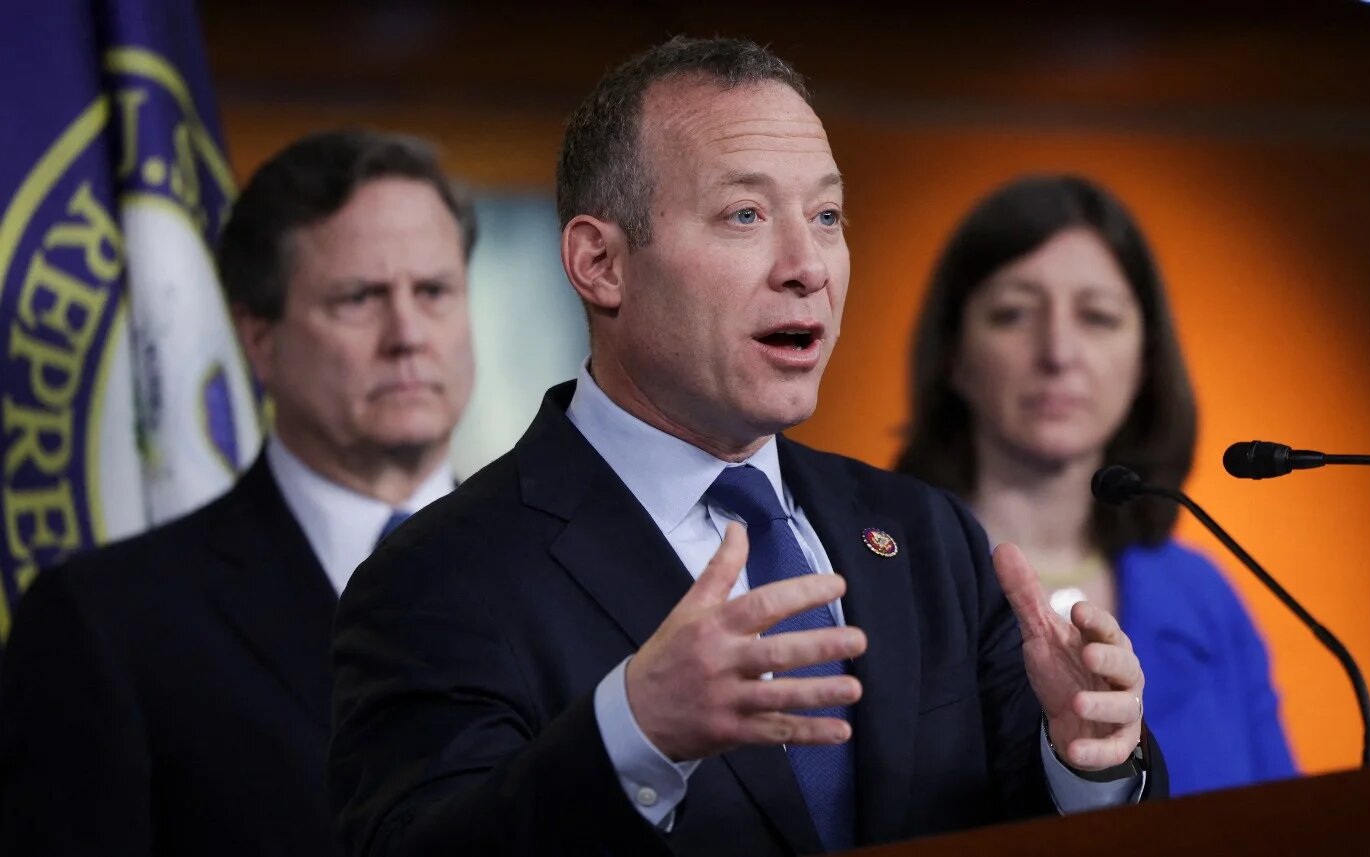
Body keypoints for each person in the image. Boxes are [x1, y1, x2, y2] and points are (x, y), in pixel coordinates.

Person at [329, 38, 1169, 857]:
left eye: (827, 216)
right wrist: (633, 733)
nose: (808, 266)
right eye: (745, 215)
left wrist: (1085, 762)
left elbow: (1020, 814)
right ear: (600, 263)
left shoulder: (924, 535)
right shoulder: (437, 577)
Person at [0, 129, 478, 856]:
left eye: (434, 292)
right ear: (259, 339)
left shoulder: (579, 567)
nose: (407, 334)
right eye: (359, 298)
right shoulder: (106, 624)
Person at [895, 175, 1297, 796]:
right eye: (1012, 314)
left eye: (1098, 317)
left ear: (1144, 361)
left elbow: (1291, 824)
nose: (1058, 352)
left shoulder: (1204, 597)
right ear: (953, 354)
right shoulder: (891, 579)